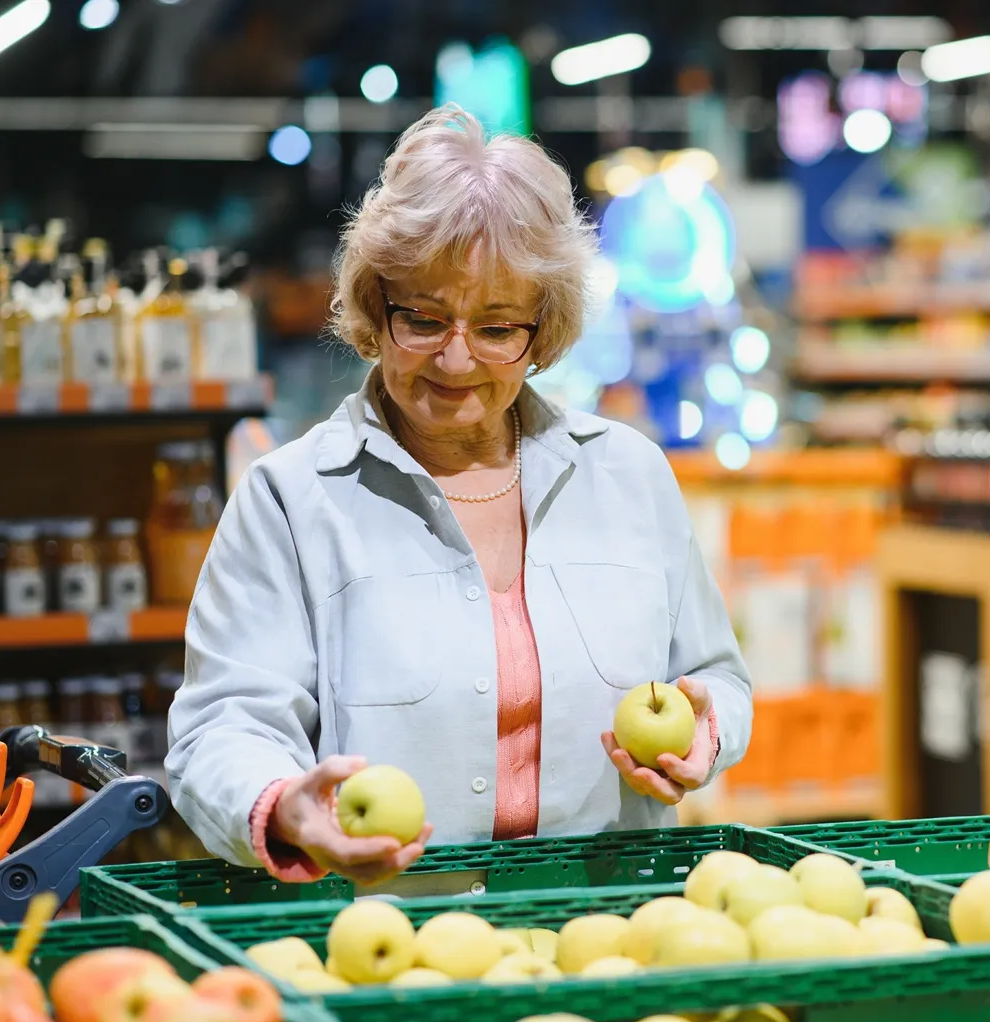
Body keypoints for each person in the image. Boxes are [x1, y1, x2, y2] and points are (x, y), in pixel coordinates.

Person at [165, 105, 752, 885]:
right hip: (384, 941)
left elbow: (718, 678)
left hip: (610, 936)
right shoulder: (291, 499)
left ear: (542, 331)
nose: (456, 358)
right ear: (377, 308)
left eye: (498, 325)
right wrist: (283, 804)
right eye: (426, 317)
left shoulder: (630, 478)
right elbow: (221, 725)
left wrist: (707, 731)